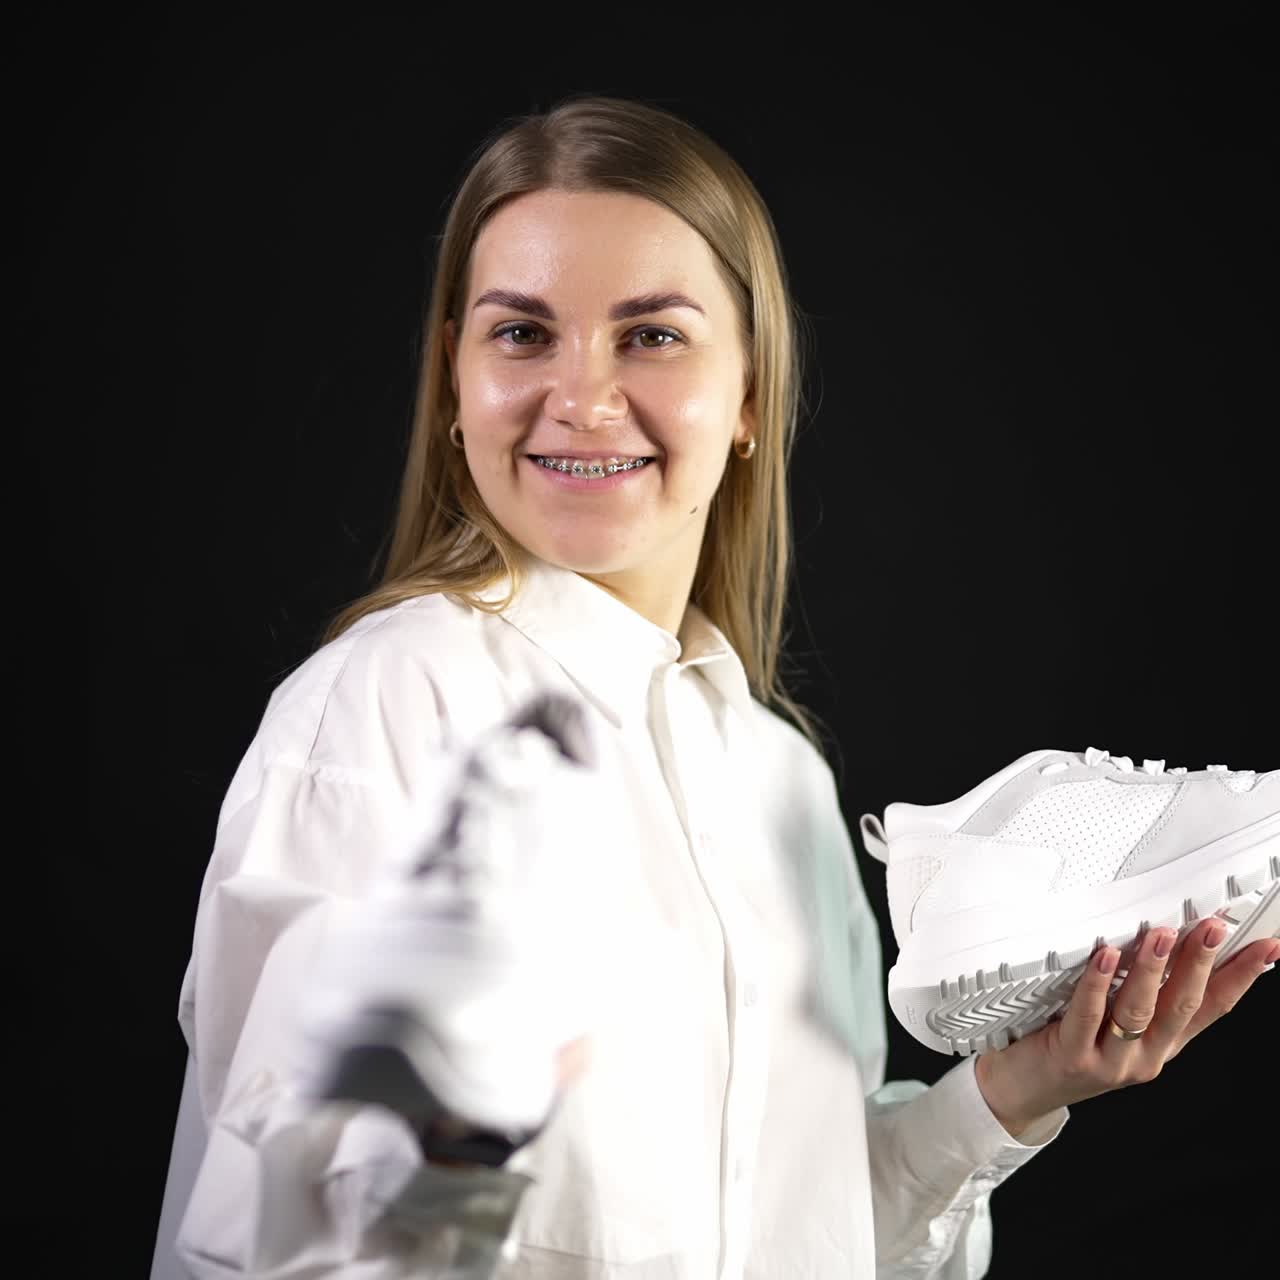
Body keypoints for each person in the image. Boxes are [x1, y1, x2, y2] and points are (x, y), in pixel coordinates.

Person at [162, 93, 1278, 1279]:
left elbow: (806, 1235)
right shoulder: (399, 701)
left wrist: (1011, 1089)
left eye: (649, 335)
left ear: (748, 391)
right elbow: (323, 1244)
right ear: (453, 382)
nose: (581, 397)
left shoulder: (777, 779)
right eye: (521, 333)